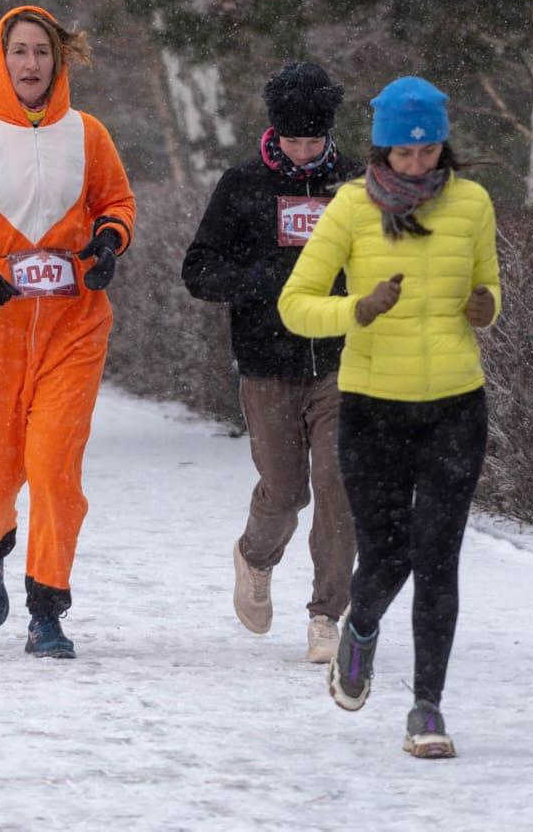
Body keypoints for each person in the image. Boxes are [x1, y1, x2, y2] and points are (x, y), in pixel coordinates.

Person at [278, 75, 501, 760]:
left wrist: (485, 305)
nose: (416, 164)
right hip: (373, 408)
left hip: (454, 406)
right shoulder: (348, 209)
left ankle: (426, 708)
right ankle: (362, 627)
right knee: (388, 553)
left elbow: (488, 284)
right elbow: (296, 303)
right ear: (379, 151)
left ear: (443, 144)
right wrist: (356, 311)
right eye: (403, 155)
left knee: (438, 557)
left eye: (428, 151)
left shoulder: (471, 203)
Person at [0, 5, 136, 660]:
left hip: (73, 328)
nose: (32, 64)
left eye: (42, 52)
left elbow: (115, 202)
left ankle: (47, 609)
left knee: (53, 466)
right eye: (20, 52)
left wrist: (107, 242)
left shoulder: (88, 134)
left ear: (58, 59)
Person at [181, 62, 361, 663]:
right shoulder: (243, 186)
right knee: (286, 492)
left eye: (315, 140)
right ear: (273, 131)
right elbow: (198, 270)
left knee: (339, 488)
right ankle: (255, 557)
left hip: (344, 361)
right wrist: (263, 281)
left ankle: (326, 615)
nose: (305, 151)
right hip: (268, 362)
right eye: (294, 140)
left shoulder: (357, 186)